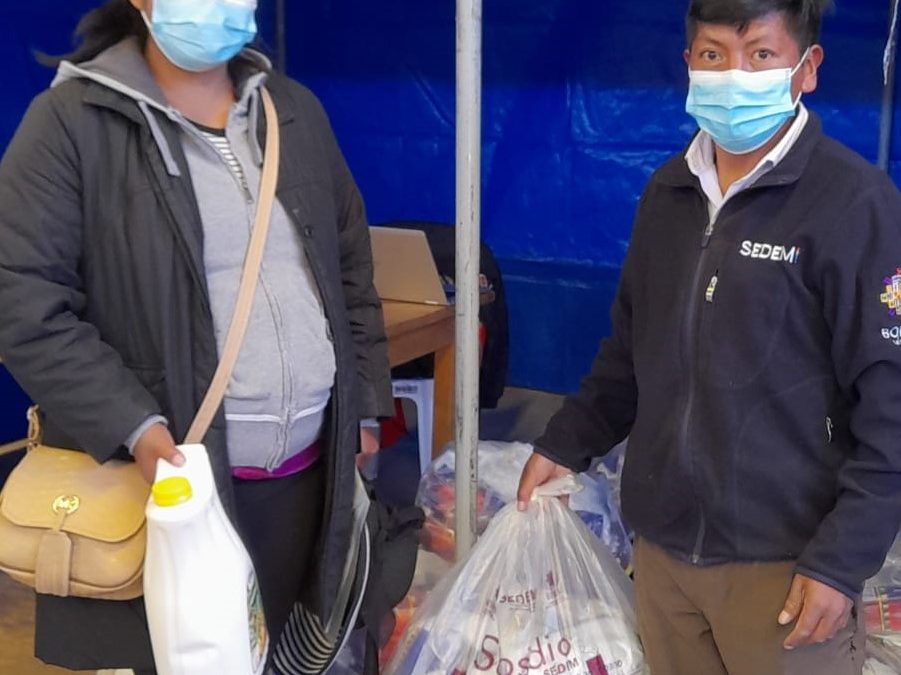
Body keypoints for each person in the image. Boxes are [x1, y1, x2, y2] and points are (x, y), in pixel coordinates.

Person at [0, 0, 393, 672]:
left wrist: (362, 403)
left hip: (307, 486)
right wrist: (138, 428)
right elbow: (24, 302)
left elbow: (349, 265)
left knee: (295, 656)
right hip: (179, 501)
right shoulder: (71, 124)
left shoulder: (292, 110)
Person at [517, 1, 901, 673]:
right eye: (714, 54)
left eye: (759, 54)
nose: (733, 75)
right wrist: (566, 442)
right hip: (663, 557)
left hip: (784, 568)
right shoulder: (666, 192)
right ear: (687, 64)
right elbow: (627, 353)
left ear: (806, 68)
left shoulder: (853, 203)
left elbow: (892, 405)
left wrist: (840, 562)